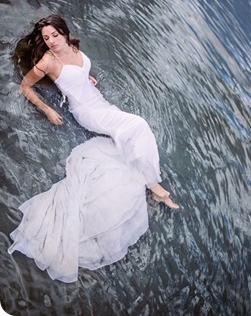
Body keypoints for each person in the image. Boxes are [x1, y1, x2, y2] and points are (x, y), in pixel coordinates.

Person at [8, 14, 179, 282]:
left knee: (129, 135)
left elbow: (78, 70)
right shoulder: (47, 61)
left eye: (55, 35)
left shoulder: (74, 48)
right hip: (87, 112)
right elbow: (25, 86)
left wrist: (86, 78)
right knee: (138, 126)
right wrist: (48, 110)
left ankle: (150, 182)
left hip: (98, 101)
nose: (51, 41)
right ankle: (154, 186)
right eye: (46, 38)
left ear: (64, 33)